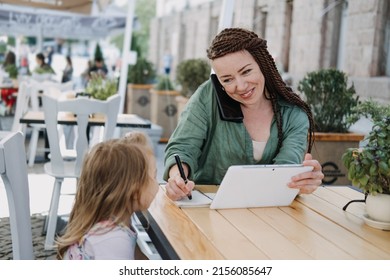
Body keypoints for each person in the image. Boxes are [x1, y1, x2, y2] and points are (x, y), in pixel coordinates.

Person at [164, 27, 324, 201]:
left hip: (269, 209)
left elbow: (286, 169)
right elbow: (183, 148)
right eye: (227, 79)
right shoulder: (206, 97)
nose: (240, 86)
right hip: (207, 208)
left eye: (246, 71)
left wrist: (301, 181)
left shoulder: (293, 115)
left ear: (262, 64)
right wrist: (176, 178)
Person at [56, 132, 159, 260]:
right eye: (154, 177)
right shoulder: (113, 240)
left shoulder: (116, 222)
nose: (158, 184)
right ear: (133, 189)